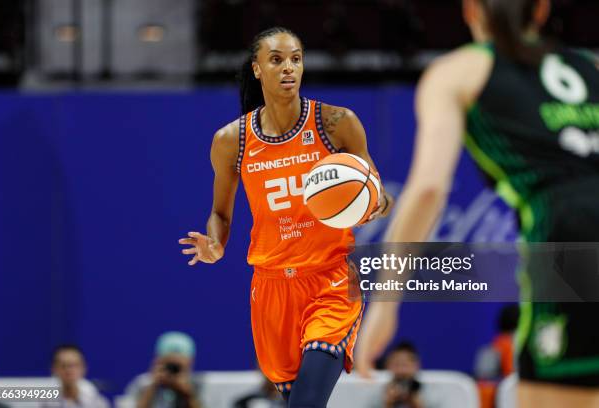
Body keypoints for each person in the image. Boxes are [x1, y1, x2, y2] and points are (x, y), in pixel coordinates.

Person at [355, 0, 599, 406]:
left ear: (470, 10)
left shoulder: (458, 71)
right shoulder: (591, 63)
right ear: (541, 11)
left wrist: (385, 299)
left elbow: (430, 187)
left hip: (568, 235)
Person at [179, 26, 392, 407]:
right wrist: (215, 244)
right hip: (272, 289)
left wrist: (373, 202)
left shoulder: (336, 123)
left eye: (296, 58)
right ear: (257, 69)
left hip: (332, 279)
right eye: (276, 60)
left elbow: (379, 192)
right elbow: (220, 214)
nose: (288, 68)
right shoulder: (232, 140)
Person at [126, 331, 201, 408]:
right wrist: (153, 386)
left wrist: (188, 394)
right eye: (169, 365)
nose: (173, 371)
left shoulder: (203, 385)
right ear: (157, 361)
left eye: (177, 367)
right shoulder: (141, 384)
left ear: (190, 362)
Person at [369, 342, 441, 408]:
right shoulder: (377, 395)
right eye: (397, 364)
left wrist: (417, 405)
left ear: (416, 365)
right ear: (387, 366)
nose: (401, 370)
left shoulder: (431, 394)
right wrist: (387, 404)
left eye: (405, 365)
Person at [41, 345, 110, 408]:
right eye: (64, 366)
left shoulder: (96, 401)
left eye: (74, 365)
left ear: (83, 368)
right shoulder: (47, 401)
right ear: (54, 369)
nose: (69, 371)